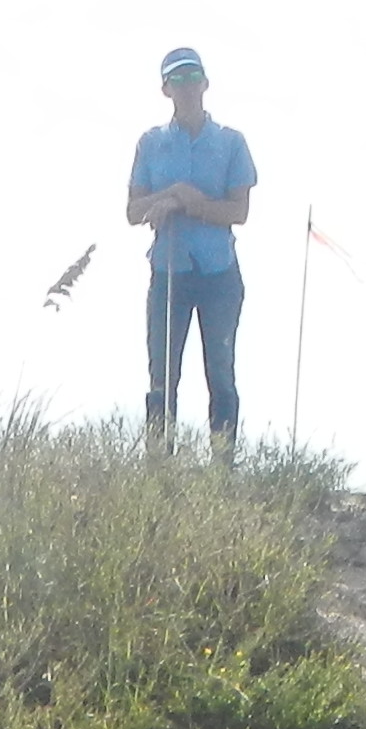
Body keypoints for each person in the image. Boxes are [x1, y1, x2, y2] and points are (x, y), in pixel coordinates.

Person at [128, 44, 257, 462]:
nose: (186, 86)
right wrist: (169, 196)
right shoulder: (151, 143)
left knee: (220, 371)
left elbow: (238, 212)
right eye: (176, 79)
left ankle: (222, 466)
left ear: (206, 83)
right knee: (162, 376)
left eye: (192, 77)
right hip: (169, 270)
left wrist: (187, 202)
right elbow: (133, 211)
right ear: (165, 88)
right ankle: (159, 466)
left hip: (219, 271)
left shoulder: (230, 142)